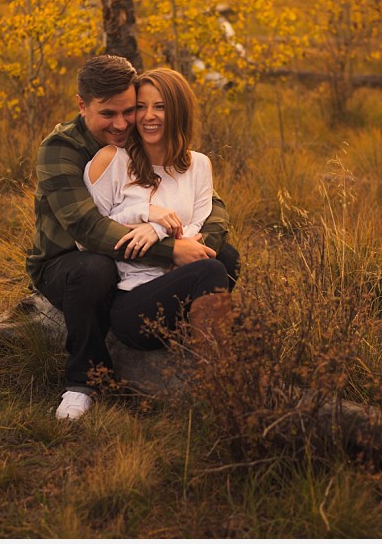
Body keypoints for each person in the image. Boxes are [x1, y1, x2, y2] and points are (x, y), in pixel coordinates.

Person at [26, 55, 239, 420]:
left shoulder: (163, 150)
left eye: (130, 110)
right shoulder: (63, 149)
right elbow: (89, 229)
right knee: (94, 269)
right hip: (66, 261)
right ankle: (82, 381)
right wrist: (171, 247)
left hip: (131, 264)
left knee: (225, 257)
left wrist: (193, 245)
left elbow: (212, 208)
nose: (123, 123)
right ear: (82, 105)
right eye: (109, 114)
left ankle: (198, 351)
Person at [84, 68, 234, 361]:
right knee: (213, 269)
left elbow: (199, 225)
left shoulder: (199, 165)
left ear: (178, 111)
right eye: (141, 107)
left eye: (160, 106)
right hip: (133, 301)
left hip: (179, 286)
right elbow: (90, 237)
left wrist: (159, 230)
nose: (148, 116)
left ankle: (208, 357)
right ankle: (218, 376)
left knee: (227, 258)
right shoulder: (113, 160)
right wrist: (146, 212)